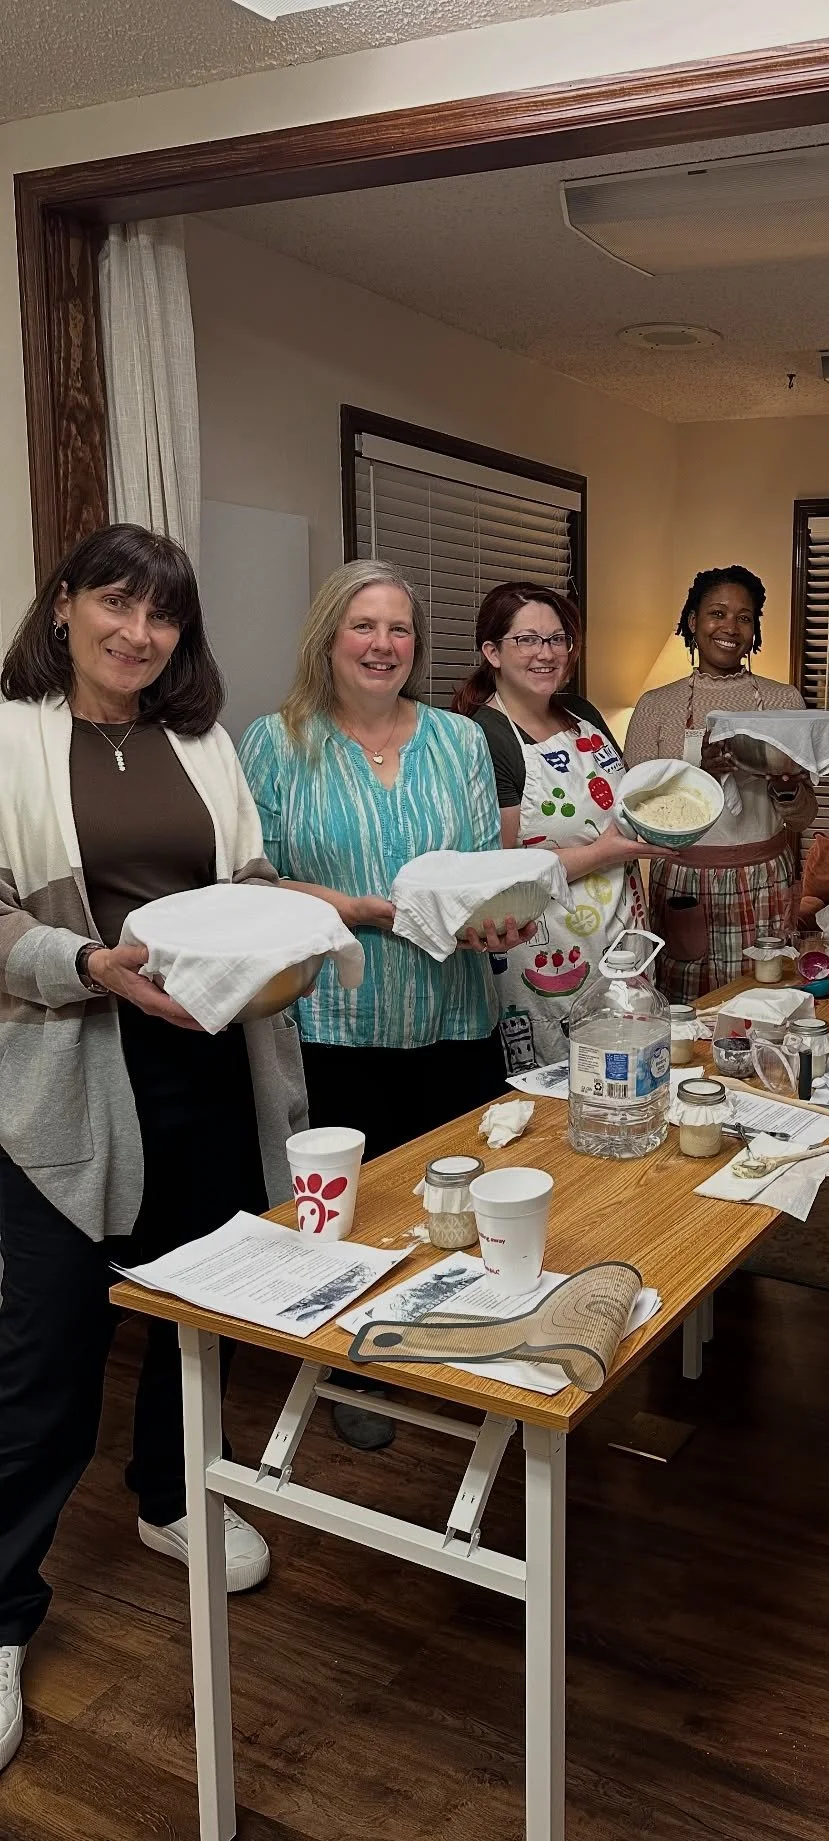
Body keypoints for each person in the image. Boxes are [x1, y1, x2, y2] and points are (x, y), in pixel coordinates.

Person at [0, 525, 307, 1774]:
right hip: (70, 1075)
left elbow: (245, 874)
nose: (140, 633)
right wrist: (83, 964)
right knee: (46, 1351)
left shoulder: (201, 739)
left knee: (203, 1309)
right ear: (63, 605)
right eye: (116, 605)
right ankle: (1, 1608)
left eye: (164, 615)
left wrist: (279, 916)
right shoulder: (10, 732)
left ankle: (174, 1495)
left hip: (211, 1067)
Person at [239, 560, 528, 1450]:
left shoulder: (459, 738)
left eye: (399, 628)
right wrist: (363, 910)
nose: (383, 644)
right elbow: (261, 881)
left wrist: (498, 921)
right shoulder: (275, 742)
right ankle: (353, 1363)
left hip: (454, 1015)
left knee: (456, 1204)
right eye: (364, 625)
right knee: (347, 1217)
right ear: (328, 637)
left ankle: (458, 1345)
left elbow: (481, 873)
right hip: (336, 1023)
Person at [454, 582, 672, 1070]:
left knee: (633, 1076)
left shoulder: (583, 713)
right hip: (547, 951)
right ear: (492, 651)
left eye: (558, 640)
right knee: (565, 1090)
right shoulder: (487, 737)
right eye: (527, 640)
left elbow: (618, 807)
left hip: (622, 935)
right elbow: (502, 873)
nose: (546, 653)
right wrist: (607, 853)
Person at [625, 566, 816, 1002]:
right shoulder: (656, 706)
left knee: (768, 1002)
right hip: (685, 883)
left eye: (744, 617)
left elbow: (804, 817)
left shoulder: (784, 701)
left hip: (766, 876)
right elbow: (633, 817)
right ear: (693, 621)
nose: (730, 627)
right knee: (686, 1007)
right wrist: (700, 776)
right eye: (717, 613)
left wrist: (786, 787)